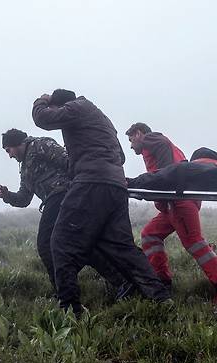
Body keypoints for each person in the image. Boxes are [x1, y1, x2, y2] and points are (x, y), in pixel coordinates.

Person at [32, 89, 172, 316]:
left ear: (61, 105)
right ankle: (160, 297)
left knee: (60, 242)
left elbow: (43, 119)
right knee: (122, 246)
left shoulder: (77, 107)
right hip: (115, 186)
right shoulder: (101, 119)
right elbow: (121, 156)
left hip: (91, 183)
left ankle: (71, 308)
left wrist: (42, 101)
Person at [0, 128, 133, 298]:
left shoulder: (40, 145)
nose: (9, 155)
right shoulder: (24, 169)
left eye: (8, 150)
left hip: (64, 195)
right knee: (79, 245)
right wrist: (7, 196)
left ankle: (64, 292)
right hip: (54, 201)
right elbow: (24, 199)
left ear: (16, 143)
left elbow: (70, 162)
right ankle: (121, 282)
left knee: (46, 244)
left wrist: (84, 189)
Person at [125, 123, 217, 304]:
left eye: (131, 140)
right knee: (150, 235)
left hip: (180, 202)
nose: (131, 146)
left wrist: (133, 183)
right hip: (172, 204)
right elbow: (161, 176)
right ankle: (162, 281)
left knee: (194, 242)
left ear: (139, 134)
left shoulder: (152, 140)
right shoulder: (157, 147)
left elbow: (166, 175)